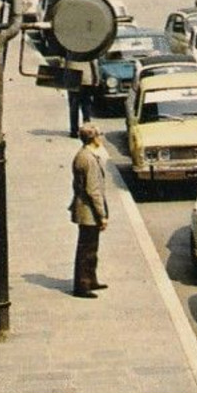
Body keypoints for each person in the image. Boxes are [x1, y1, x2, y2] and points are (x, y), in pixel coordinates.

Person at [68, 124, 109, 298]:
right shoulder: (88, 159)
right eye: (100, 135)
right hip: (88, 211)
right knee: (87, 249)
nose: (101, 137)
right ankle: (82, 285)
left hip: (85, 209)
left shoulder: (85, 155)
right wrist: (102, 215)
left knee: (91, 247)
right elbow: (93, 190)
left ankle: (91, 279)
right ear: (93, 138)